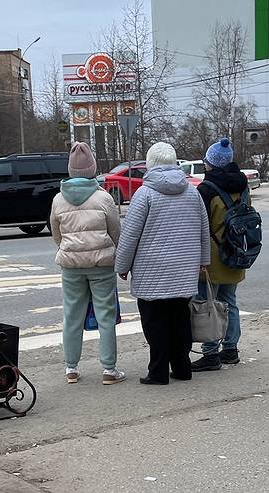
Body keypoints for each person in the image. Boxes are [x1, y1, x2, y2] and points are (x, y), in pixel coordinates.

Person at [115, 142, 210, 385]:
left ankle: (158, 372)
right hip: (184, 270)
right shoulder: (192, 192)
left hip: (151, 271)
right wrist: (203, 261)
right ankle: (182, 368)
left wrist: (122, 266)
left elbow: (130, 235)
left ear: (150, 164)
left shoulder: (144, 194)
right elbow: (203, 230)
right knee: (180, 319)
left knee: (154, 323)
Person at [50, 142, 126, 385]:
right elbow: (116, 231)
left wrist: (68, 249)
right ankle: (109, 369)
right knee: (105, 314)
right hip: (101, 265)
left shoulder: (58, 200)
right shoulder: (103, 198)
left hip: (71, 265)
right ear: (93, 168)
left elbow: (56, 233)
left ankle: (71, 368)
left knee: (72, 315)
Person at [191, 137, 248, 372]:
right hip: (236, 251)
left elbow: (199, 226)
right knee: (230, 302)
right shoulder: (242, 185)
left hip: (212, 257)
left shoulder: (206, 190)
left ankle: (210, 352)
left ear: (211, 163)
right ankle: (231, 349)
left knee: (209, 304)